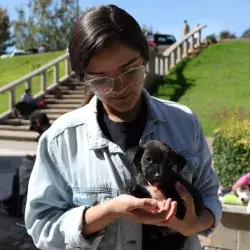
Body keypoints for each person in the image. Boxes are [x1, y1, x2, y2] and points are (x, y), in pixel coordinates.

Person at [25, 4, 222, 250]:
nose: (118, 88)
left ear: (146, 59)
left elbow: (211, 196)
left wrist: (190, 225)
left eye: (130, 71)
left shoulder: (184, 122)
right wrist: (109, 211)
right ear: (84, 79)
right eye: (100, 80)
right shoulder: (60, 139)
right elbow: (41, 225)